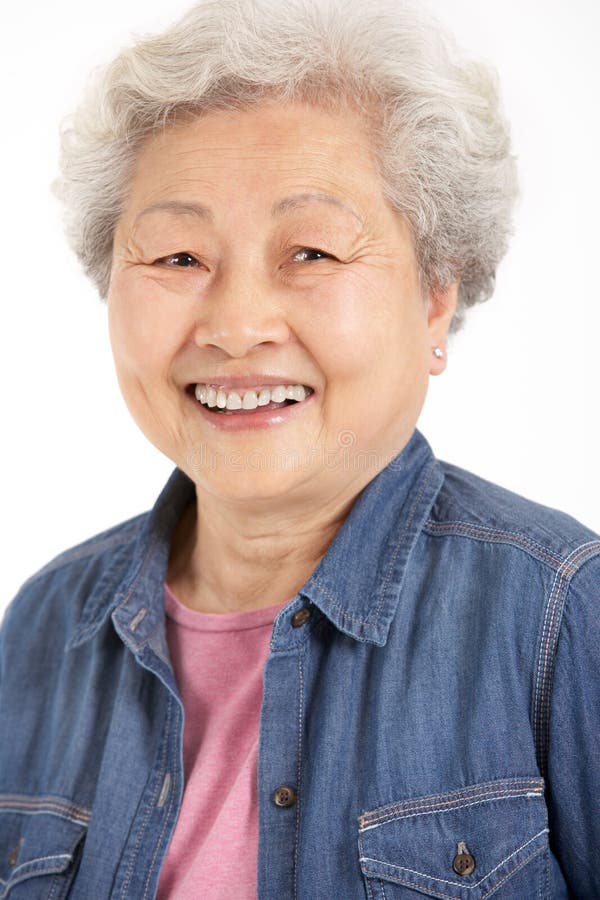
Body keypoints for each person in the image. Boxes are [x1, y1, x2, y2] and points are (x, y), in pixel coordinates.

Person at [0, 0, 598, 896]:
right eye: (176, 258)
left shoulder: (560, 613)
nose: (237, 326)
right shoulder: (44, 628)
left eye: (311, 252)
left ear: (436, 299)